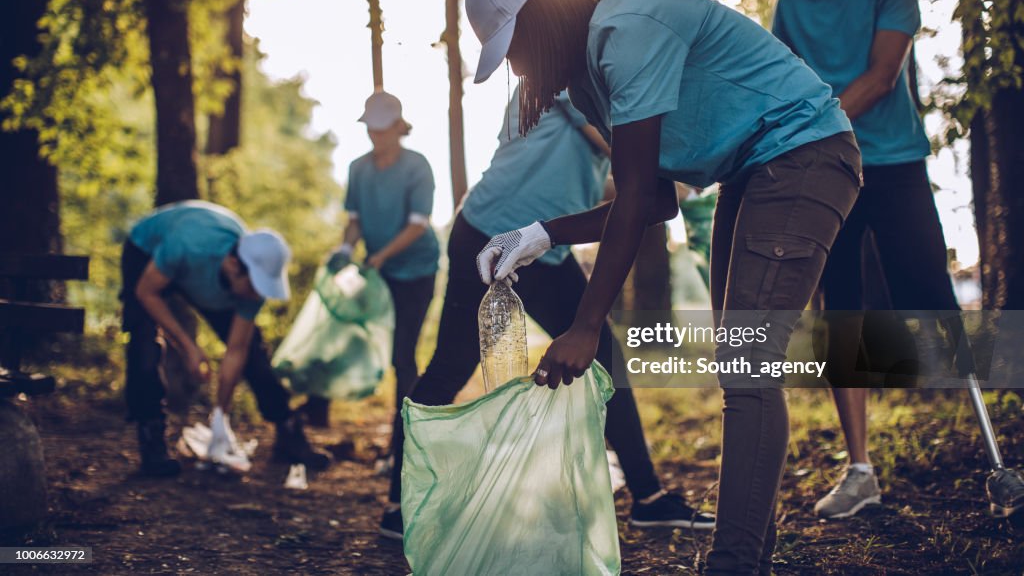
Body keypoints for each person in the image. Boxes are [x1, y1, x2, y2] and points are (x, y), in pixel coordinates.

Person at [465, 0, 863, 574]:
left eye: (514, 46)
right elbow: (651, 200)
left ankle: (733, 563)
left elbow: (633, 203)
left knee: (748, 362)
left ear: (542, 19)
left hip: (802, 153)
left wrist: (587, 325)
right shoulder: (588, 74)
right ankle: (745, 557)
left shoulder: (626, 33)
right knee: (743, 361)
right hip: (750, 171)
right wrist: (540, 233)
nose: (516, 65)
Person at [378, 86, 717, 540]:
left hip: (536, 242)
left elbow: (602, 181)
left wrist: (665, 187)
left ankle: (649, 498)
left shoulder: (585, 86)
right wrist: (688, 163)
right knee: (451, 368)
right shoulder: (564, 79)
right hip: (496, 232)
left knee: (603, 359)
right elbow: (624, 149)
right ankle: (399, 506)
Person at [771, 0, 961, 519]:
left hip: (897, 161)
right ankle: (860, 472)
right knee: (842, 312)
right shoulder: (794, 2)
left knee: (932, 290)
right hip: (831, 171)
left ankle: (994, 447)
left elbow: (882, 76)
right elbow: (780, 83)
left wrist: (816, 127)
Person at [121, 200, 330, 476]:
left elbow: (237, 351)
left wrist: (221, 413)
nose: (258, 295)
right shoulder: (186, 246)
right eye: (255, 285)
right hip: (146, 252)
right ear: (234, 266)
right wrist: (188, 348)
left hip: (204, 273)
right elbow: (147, 293)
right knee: (143, 348)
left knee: (254, 354)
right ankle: (152, 442)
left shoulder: (250, 282)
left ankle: (288, 432)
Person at [325, 91, 440, 455]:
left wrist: (380, 256)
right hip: (381, 272)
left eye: (381, 131)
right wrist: (345, 248)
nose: (375, 137)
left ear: (397, 128)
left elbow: (417, 225)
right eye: (370, 131)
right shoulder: (358, 168)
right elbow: (355, 220)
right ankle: (318, 410)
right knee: (359, 338)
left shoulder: (417, 166)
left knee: (403, 354)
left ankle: (405, 440)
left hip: (417, 270)